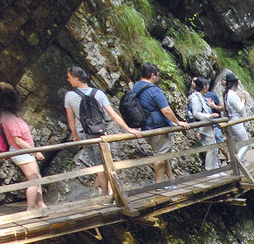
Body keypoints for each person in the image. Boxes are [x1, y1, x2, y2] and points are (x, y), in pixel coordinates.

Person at [64, 66, 140, 198]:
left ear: (76, 79)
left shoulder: (70, 96)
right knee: (105, 162)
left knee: (97, 165)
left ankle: (106, 193)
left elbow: (70, 120)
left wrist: (75, 137)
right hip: (99, 133)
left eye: (69, 78)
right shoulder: (98, 94)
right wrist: (129, 129)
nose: (68, 80)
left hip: (84, 134)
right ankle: (111, 192)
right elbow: (113, 115)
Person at [131, 62, 189, 183]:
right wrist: (178, 122)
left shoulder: (136, 87)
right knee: (160, 156)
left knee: (163, 153)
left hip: (145, 126)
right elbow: (166, 110)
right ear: (153, 75)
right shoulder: (154, 90)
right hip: (158, 127)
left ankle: (171, 180)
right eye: (157, 75)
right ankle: (159, 184)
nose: (158, 78)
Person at [0, 83, 45, 211]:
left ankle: (41, 205)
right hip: (21, 152)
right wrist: (36, 152)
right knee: (34, 181)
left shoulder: (9, 114)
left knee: (36, 179)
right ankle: (31, 208)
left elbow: (5, 86)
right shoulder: (10, 118)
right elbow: (18, 140)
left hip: (24, 152)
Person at [186, 76, 218, 170]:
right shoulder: (196, 98)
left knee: (214, 148)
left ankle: (214, 168)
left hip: (207, 126)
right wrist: (209, 116)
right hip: (203, 126)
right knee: (211, 149)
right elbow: (196, 113)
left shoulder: (201, 97)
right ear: (204, 86)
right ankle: (209, 170)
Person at [222, 72, 250, 163]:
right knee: (246, 143)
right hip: (236, 121)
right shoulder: (232, 94)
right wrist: (243, 99)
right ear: (235, 83)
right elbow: (240, 109)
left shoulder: (226, 94)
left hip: (232, 121)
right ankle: (237, 160)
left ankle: (240, 161)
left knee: (241, 143)